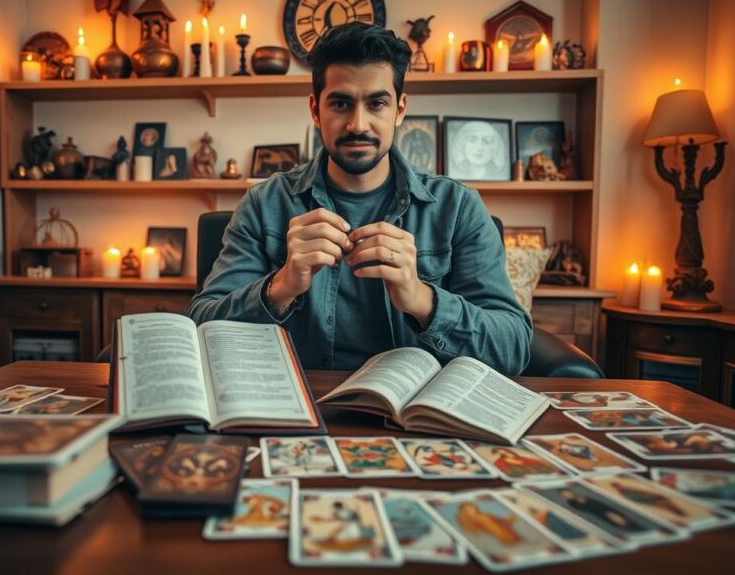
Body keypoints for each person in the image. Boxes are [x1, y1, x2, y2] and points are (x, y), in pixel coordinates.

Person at [187, 22, 531, 375]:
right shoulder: (264, 204)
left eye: (376, 103)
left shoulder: (457, 208)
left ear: (399, 109)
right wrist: (282, 286)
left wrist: (420, 298)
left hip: (418, 418)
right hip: (299, 408)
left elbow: (513, 348)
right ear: (315, 111)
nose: (357, 124)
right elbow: (201, 327)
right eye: (340, 103)